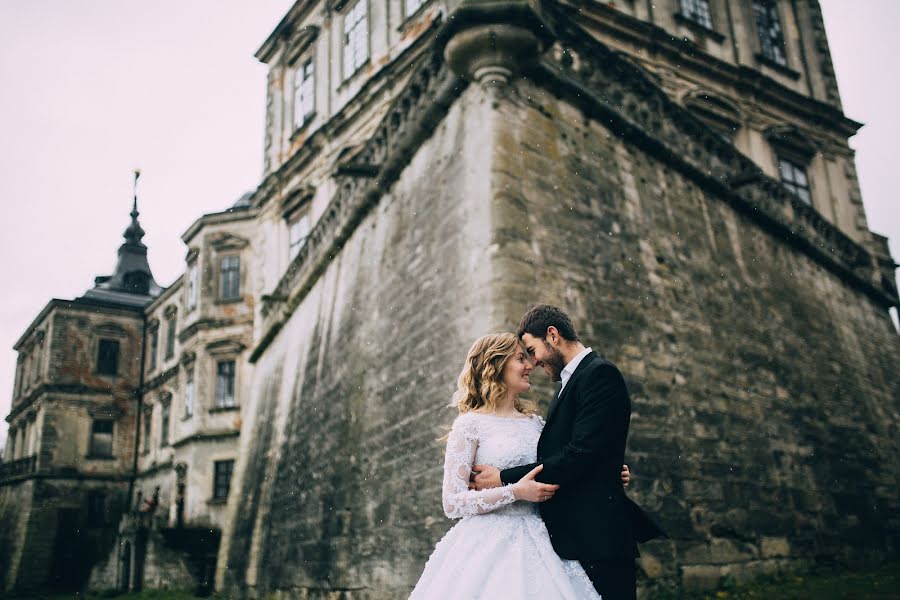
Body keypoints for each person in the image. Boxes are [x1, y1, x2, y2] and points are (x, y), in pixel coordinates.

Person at [410, 333, 630, 599]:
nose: (530, 365)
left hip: (545, 539)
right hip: (487, 544)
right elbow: (453, 502)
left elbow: (567, 464)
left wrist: (606, 473)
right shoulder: (470, 425)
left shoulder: (537, 425)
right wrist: (515, 491)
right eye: (519, 359)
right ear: (495, 365)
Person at [472, 305, 666, 600]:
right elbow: (583, 450)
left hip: (598, 536)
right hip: (573, 537)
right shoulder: (571, 383)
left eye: (532, 351)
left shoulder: (599, 374)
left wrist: (503, 477)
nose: (533, 363)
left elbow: (579, 454)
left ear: (552, 335)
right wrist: (607, 465)